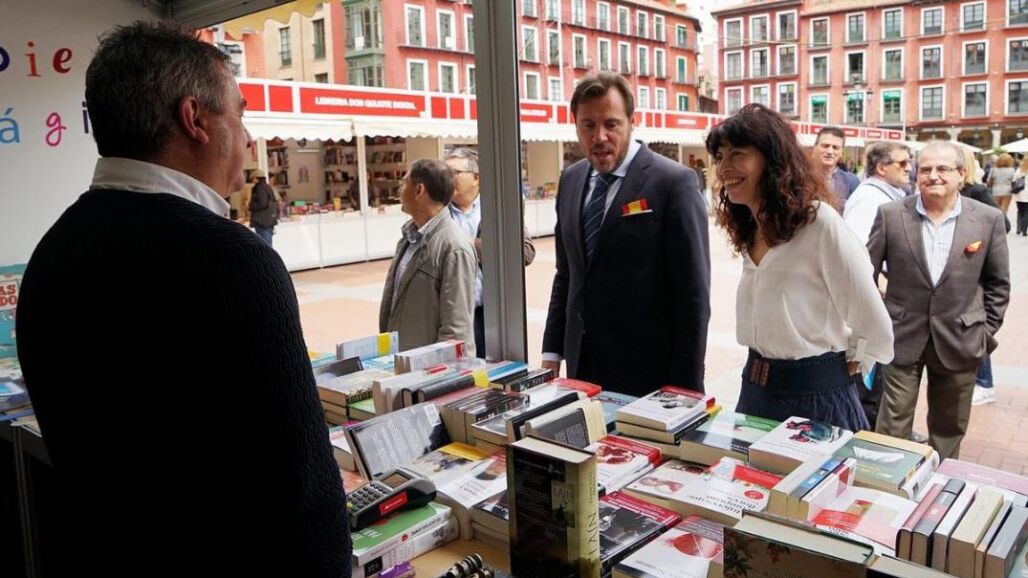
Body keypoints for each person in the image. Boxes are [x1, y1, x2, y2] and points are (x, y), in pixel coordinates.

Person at [15, 22, 350, 576]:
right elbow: (302, 488)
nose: (247, 138)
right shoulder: (231, 261)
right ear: (195, 120)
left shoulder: (53, 252)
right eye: (238, 114)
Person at [707, 104, 894, 431]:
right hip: (755, 393)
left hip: (814, 402)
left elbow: (874, 325)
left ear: (772, 160)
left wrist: (844, 369)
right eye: (720, 156)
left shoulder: (819, 223)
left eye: (737, 154)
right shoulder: (752, 228)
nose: (724, 167)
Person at [542, 71, 711, 397]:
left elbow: (693, 297)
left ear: (632, 121)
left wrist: (686, 389)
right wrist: (552, 350)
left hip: (648, 377)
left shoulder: (673, 183)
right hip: (582, 367)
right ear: (575, 125)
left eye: (611, 124)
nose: (599, 136)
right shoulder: (571, 180)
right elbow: (567, 275)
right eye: (588, 125)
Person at [869, 141, 1010, 460]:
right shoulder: (891, 215)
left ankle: (941, 481)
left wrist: (983, 333)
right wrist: (877, 323)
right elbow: (867, 273)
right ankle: (889, 483)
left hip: (961, 339)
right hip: (902, 336)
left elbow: (998, 284)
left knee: (949, 428)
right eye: (926, 169)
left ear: (961, 173)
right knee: (891, 427)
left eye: (943, 169)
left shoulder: (987, 219)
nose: (933, 176)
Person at [444, 147, 536, 358]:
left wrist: (470, 244)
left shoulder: (498, 208)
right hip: (454, 315)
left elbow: (525, 252)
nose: (446, 179)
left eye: (454, 173)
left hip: (492, 313)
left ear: (476, 178)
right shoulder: (438, 211)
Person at [380, 159, 477, 355]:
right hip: (403, 360)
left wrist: (436, 372)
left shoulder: (454, 247)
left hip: (427, 368)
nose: (399, 190)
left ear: (419, 190)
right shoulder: (409, 238)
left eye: (404, 183)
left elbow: (456, 331)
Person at [843, 142, 912, 245]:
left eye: (909, 162)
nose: (909, 168)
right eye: (902, 163)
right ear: (881, 168)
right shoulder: (868, 199)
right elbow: (856, 246)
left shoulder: (877, 195)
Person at [814, 127, 860, 207]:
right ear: (815, 148)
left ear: (842, 152)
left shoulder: (851, 181)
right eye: (825, 146)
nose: (830, 151)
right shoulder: (802, 177)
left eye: (835, 148)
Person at [248, 169, 278, 246]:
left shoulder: (259, 188)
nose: (252, 180)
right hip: (268, 220)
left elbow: (262, 203)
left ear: (256, 178)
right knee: (268, 245)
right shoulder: (267, 187)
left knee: (264, 245)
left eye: (252, 178)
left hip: (261, 221)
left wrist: (250, 206)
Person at [987, 152, 1015, 219]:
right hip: (1008, 191)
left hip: (996, 190)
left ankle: (997, 222)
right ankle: (1003, 221)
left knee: (996, 208)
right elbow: (1013, 181)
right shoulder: (1012, 170)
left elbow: (988, 181)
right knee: (1004, 208)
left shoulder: (994, 169)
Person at [1014, 156, 1028, 236]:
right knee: (1026, 212)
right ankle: (1024, 230)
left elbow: (1013, 180)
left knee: (1020, 211)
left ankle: (1018, 229)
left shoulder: (1019, 170)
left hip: (1019, 193)